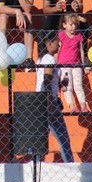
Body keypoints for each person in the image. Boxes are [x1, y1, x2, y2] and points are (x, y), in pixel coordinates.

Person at [34, 33, 74, 162]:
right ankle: (70, 164)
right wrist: (50, 101)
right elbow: (46, 80)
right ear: (49, 44)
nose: (59, 44)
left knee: (41, 137)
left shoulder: (41, 59)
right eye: (57, 42)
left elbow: (46, 81)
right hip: (48, 100)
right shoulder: (50, 59)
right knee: (63, 137)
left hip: (40, 100)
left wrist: (61, 84)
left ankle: (35, 163)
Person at [58, 14, 87, 113]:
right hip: (64, 65)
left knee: (78, 86)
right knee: (67, 87)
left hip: (76, 64)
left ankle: (83, 105)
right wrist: (57, 65)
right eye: (71, 24)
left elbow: (81, 51)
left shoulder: (78, 36)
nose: (73, 27)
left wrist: (83, 65)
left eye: (75, 24)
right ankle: (71, 105)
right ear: (64, 25)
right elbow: (58, 49)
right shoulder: (61, 35)